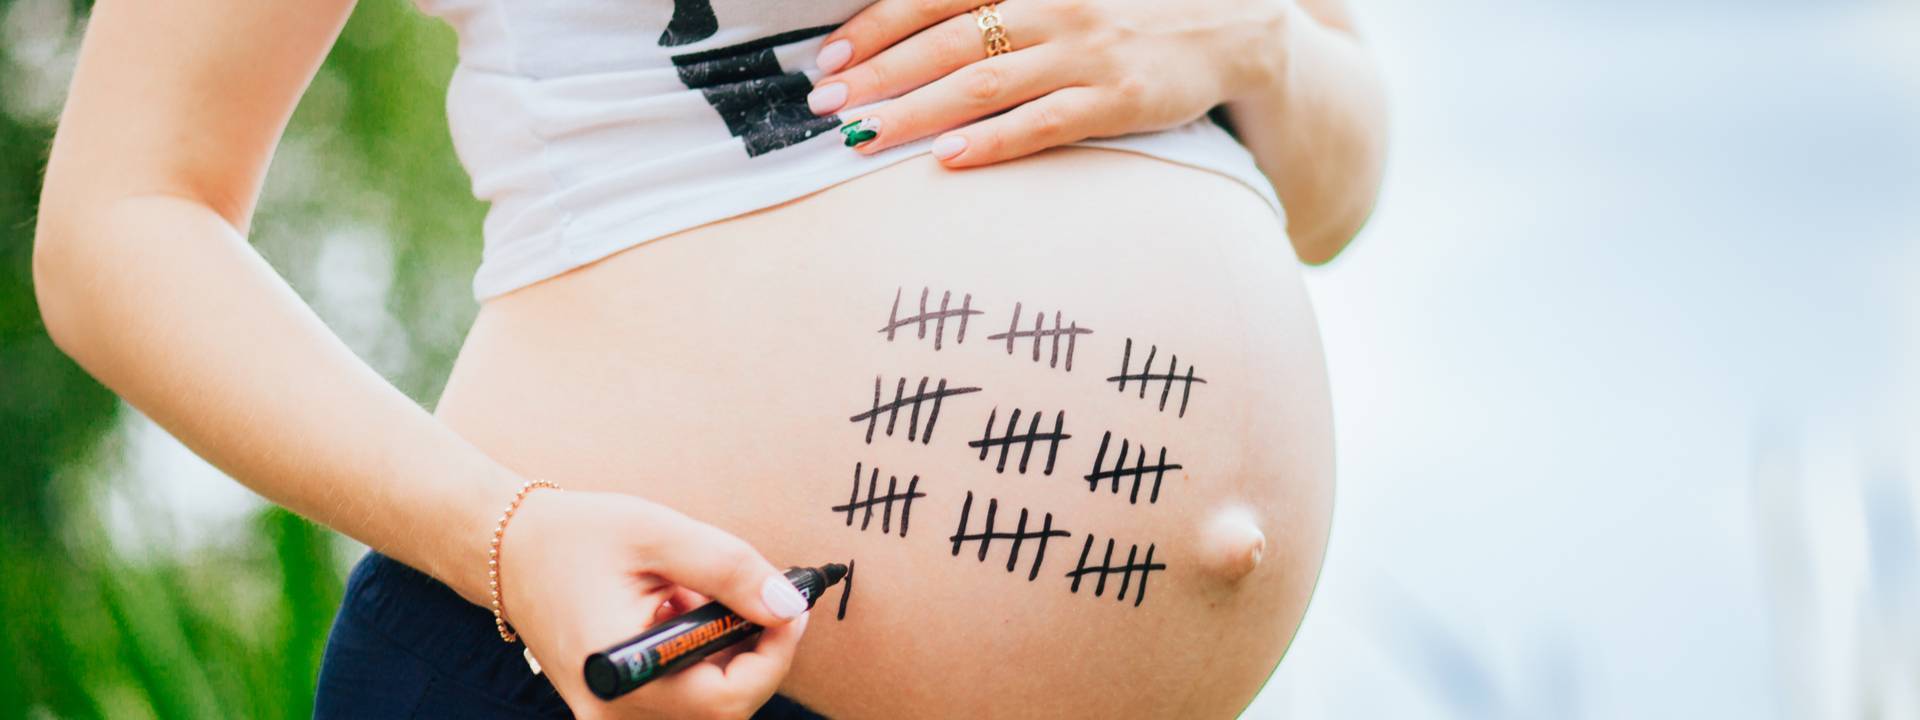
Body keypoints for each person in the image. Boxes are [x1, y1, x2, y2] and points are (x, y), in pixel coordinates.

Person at [32, 0, 1386, 716]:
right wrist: (507, 539)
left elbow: (1337, 187)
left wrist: (1249, 35)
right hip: (621, 675)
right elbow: (121, 220)